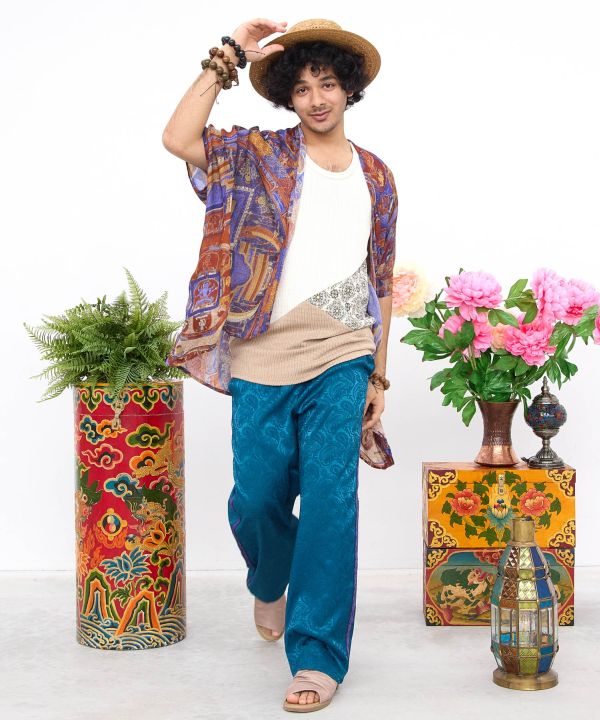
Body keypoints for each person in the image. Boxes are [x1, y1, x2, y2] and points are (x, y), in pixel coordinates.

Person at [162, 17, 398, 713]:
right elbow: (178, 139)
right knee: (258, 496)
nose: (317, 98)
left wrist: (378, 374)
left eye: (328, 84)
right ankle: (270, 579)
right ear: (288, 99)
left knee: (331, 502)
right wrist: (228, 56)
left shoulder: (377, 176)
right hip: (261, 349)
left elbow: (381, 282)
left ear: (348, 89)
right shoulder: (257, 154)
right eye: (302, 88)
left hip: (343, 349)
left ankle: (317, 656)